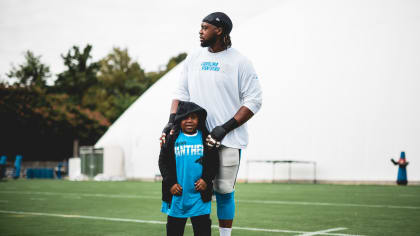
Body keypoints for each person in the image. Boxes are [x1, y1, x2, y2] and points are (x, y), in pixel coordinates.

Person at [160, 12, 262, 236]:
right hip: (195, 137)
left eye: (205, 27)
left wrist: (224, 128)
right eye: (201, 26)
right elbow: (181, 92)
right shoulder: (194, 57)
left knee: (224, 191)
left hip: (228, 139)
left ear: (220, 30)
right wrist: (170, 123)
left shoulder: (241, 62)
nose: (200, 31)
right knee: (190, 188)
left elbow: (254, 101)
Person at [159, 101, 219, 236]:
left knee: (203, 231)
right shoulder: (172, 138)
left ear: (199, 120)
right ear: (179, 120)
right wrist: (171, 183)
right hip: (177, 195)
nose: (189, 121)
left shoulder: (205, 138)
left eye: (193, 117)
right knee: (174, 231)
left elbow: (214, 162)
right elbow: (163, 162)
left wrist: (206, 179)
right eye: (185, 117)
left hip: (199, 197)